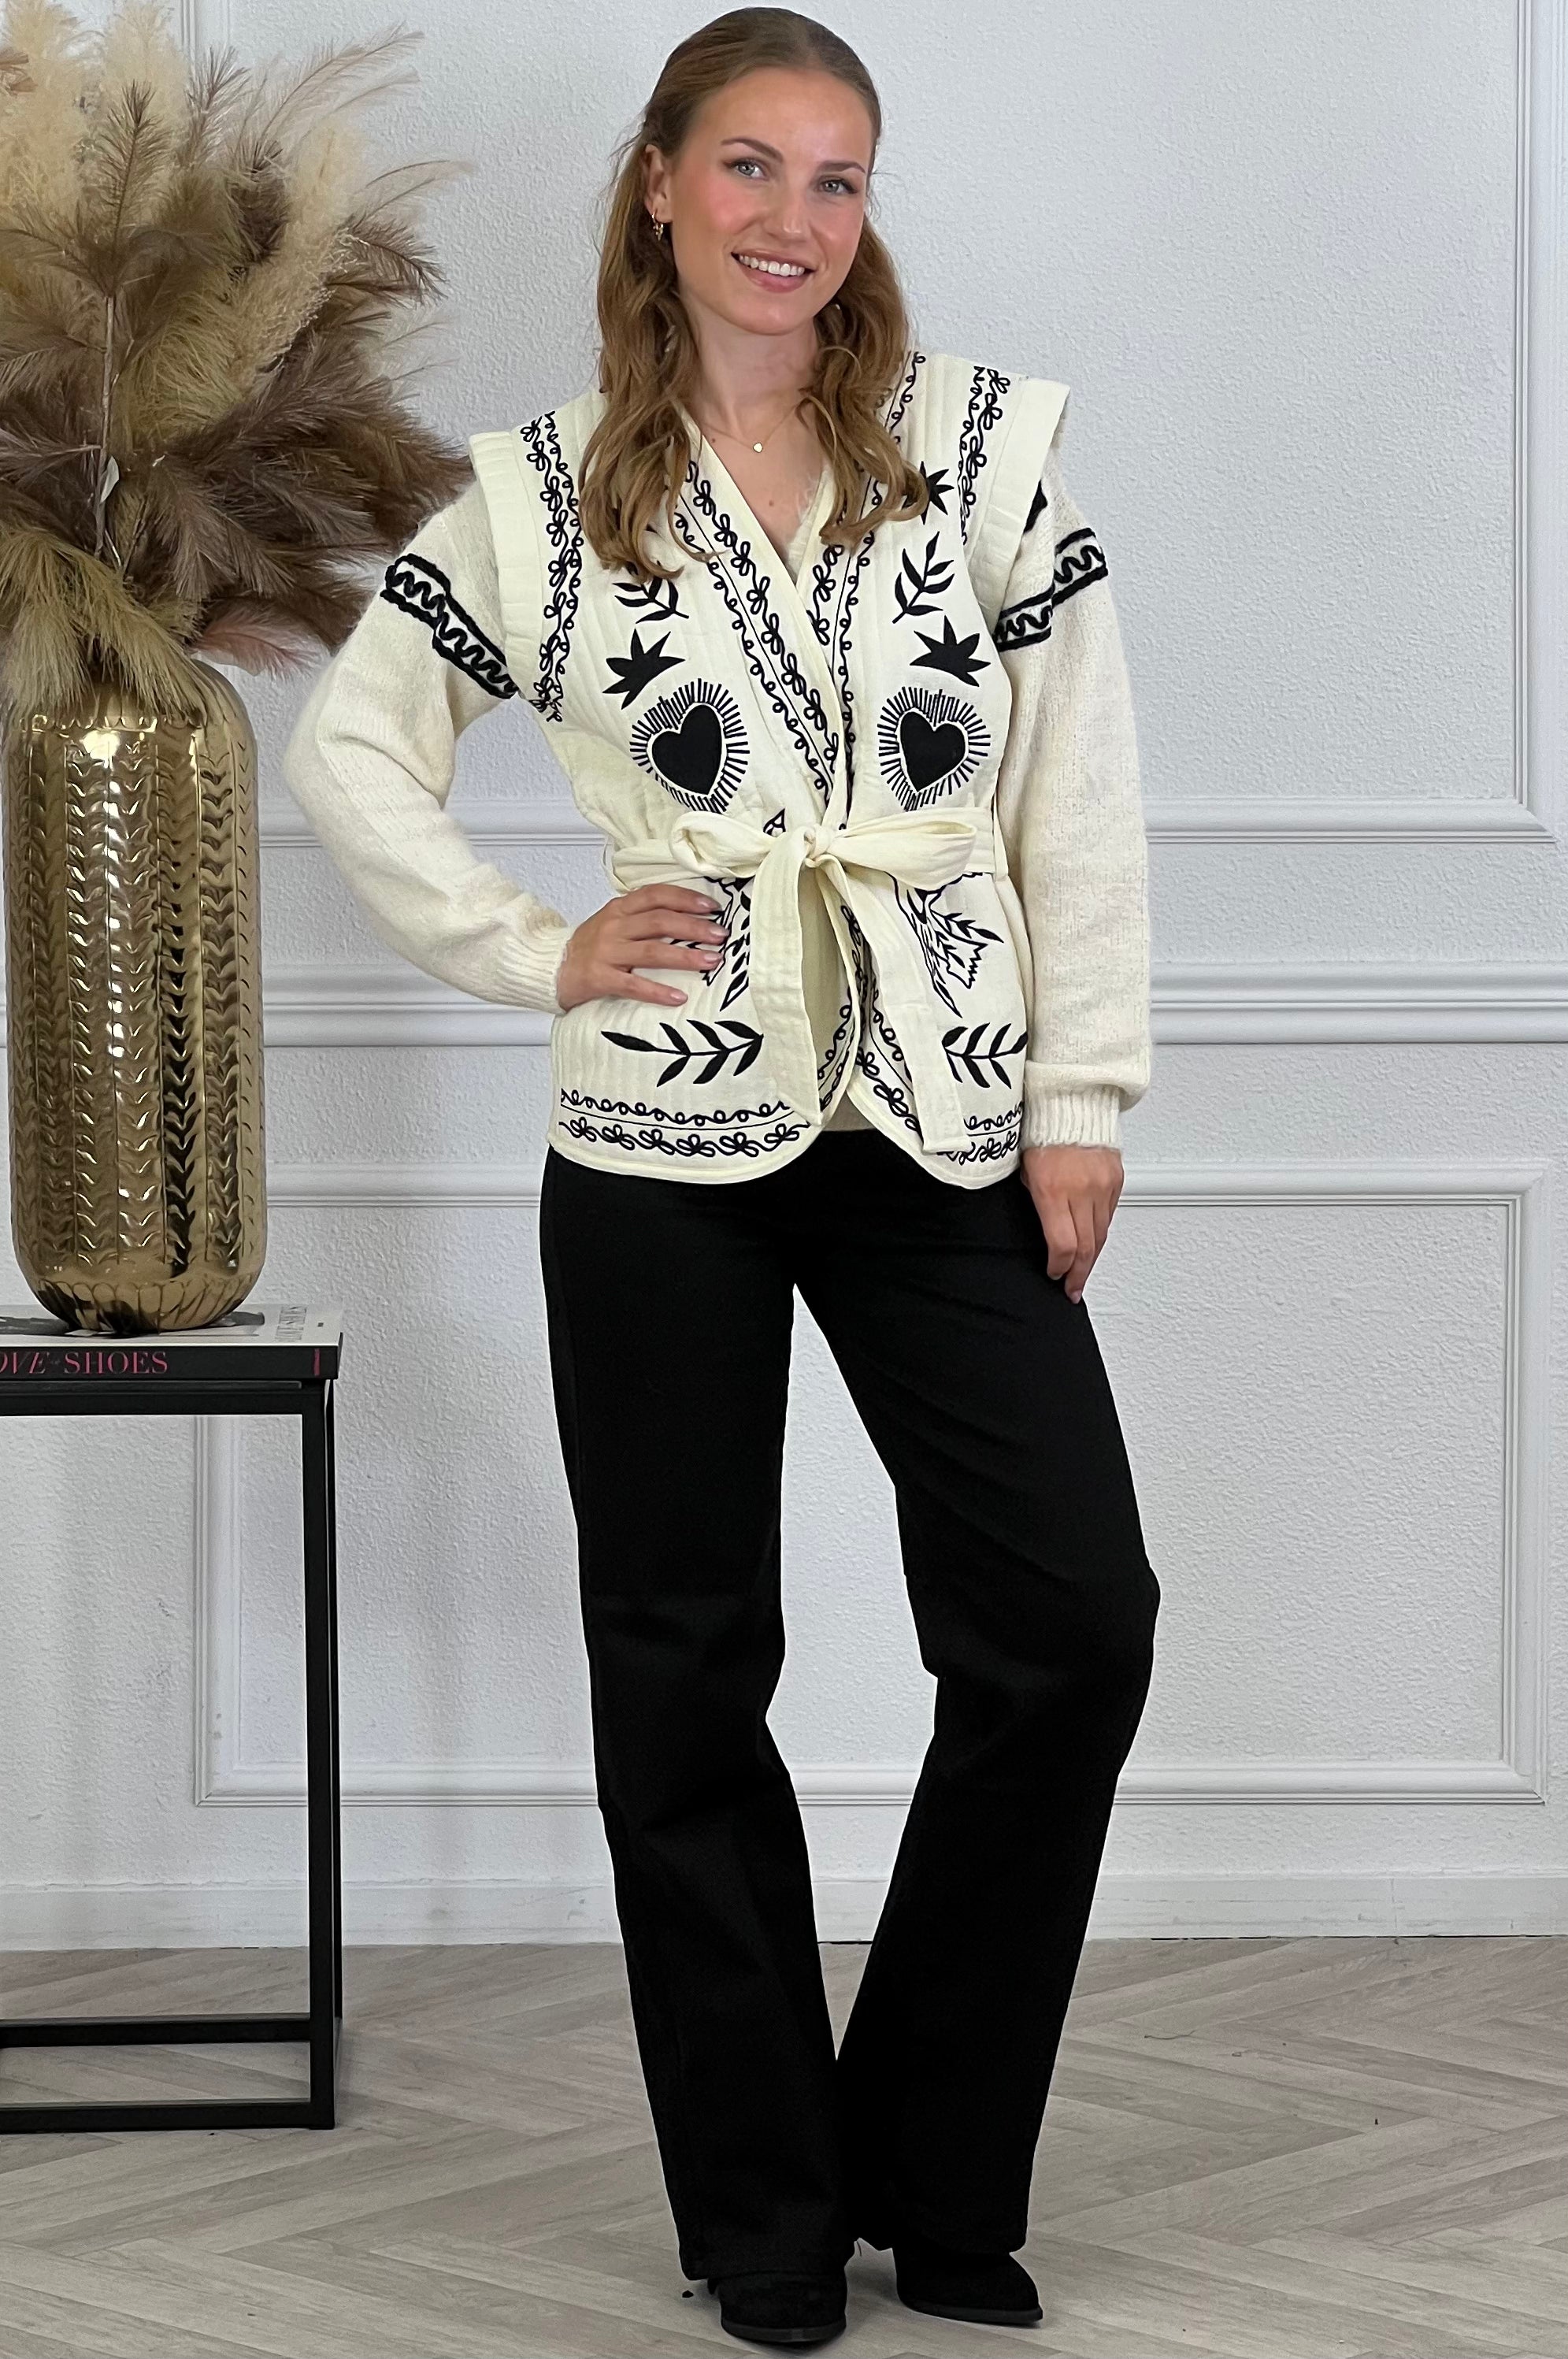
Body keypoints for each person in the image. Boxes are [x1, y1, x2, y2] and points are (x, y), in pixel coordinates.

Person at [283, 8, 1160, 2347]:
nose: (793, 218)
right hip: (660, 1139)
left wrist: (1084, 1096)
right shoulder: (539, 497)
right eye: (751, 166)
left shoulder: (976, 461)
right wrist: (534, 945)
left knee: (1072, 1622)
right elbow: (353, 749)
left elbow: (1074, 787)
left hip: (945, 1122)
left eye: (837, 177)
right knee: (684, 1668)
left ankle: (930, 2159)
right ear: (661, 182)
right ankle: (763, 2206)